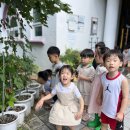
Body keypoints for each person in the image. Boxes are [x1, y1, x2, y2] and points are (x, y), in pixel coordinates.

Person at [35, 65, 84, 130]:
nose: (64, 75)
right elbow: (51, 95)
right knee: (58, 122)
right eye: (62, 73)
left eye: (67, 73)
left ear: (72, 77)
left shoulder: (73, 87)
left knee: (71, 123)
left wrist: (80, 111)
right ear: (59, 76)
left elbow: (81, 99)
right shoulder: (57, 86)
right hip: (60, 106)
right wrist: (42, 99)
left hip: (70, 106)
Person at [97, 49, 129, 130]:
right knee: (103, 125)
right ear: (104, 63)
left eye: (115, 60)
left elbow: (125, 98)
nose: (111, 63)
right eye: (108, 60)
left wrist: (121, 112)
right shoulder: (103, 76)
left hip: (116, 113)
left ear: (121, 63)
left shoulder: (123, 80)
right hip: (104, 109)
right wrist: (99, 96)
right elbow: (102, 87)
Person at [87, 47, 109, 130]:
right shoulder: (99, 66)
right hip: (95, 90)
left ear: (102, 56)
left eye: (96, 55)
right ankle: (96, 120)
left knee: (100, 107)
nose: (95, 57)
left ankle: (101, 123)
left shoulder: (105, 70)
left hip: (100, 92)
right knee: (95, 105)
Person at [77, 48, 96, 121]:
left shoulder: (91, 68)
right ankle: (82, 111)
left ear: (91, 59)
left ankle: (87, 113)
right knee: (81, 100)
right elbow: (77, 73)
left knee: (86, 102)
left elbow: (91, 79)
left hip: (87, 89)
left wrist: (82, 77)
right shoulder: (79, 66)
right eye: (81, 57)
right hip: (80, 87)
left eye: (85, 58)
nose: (82, 59)